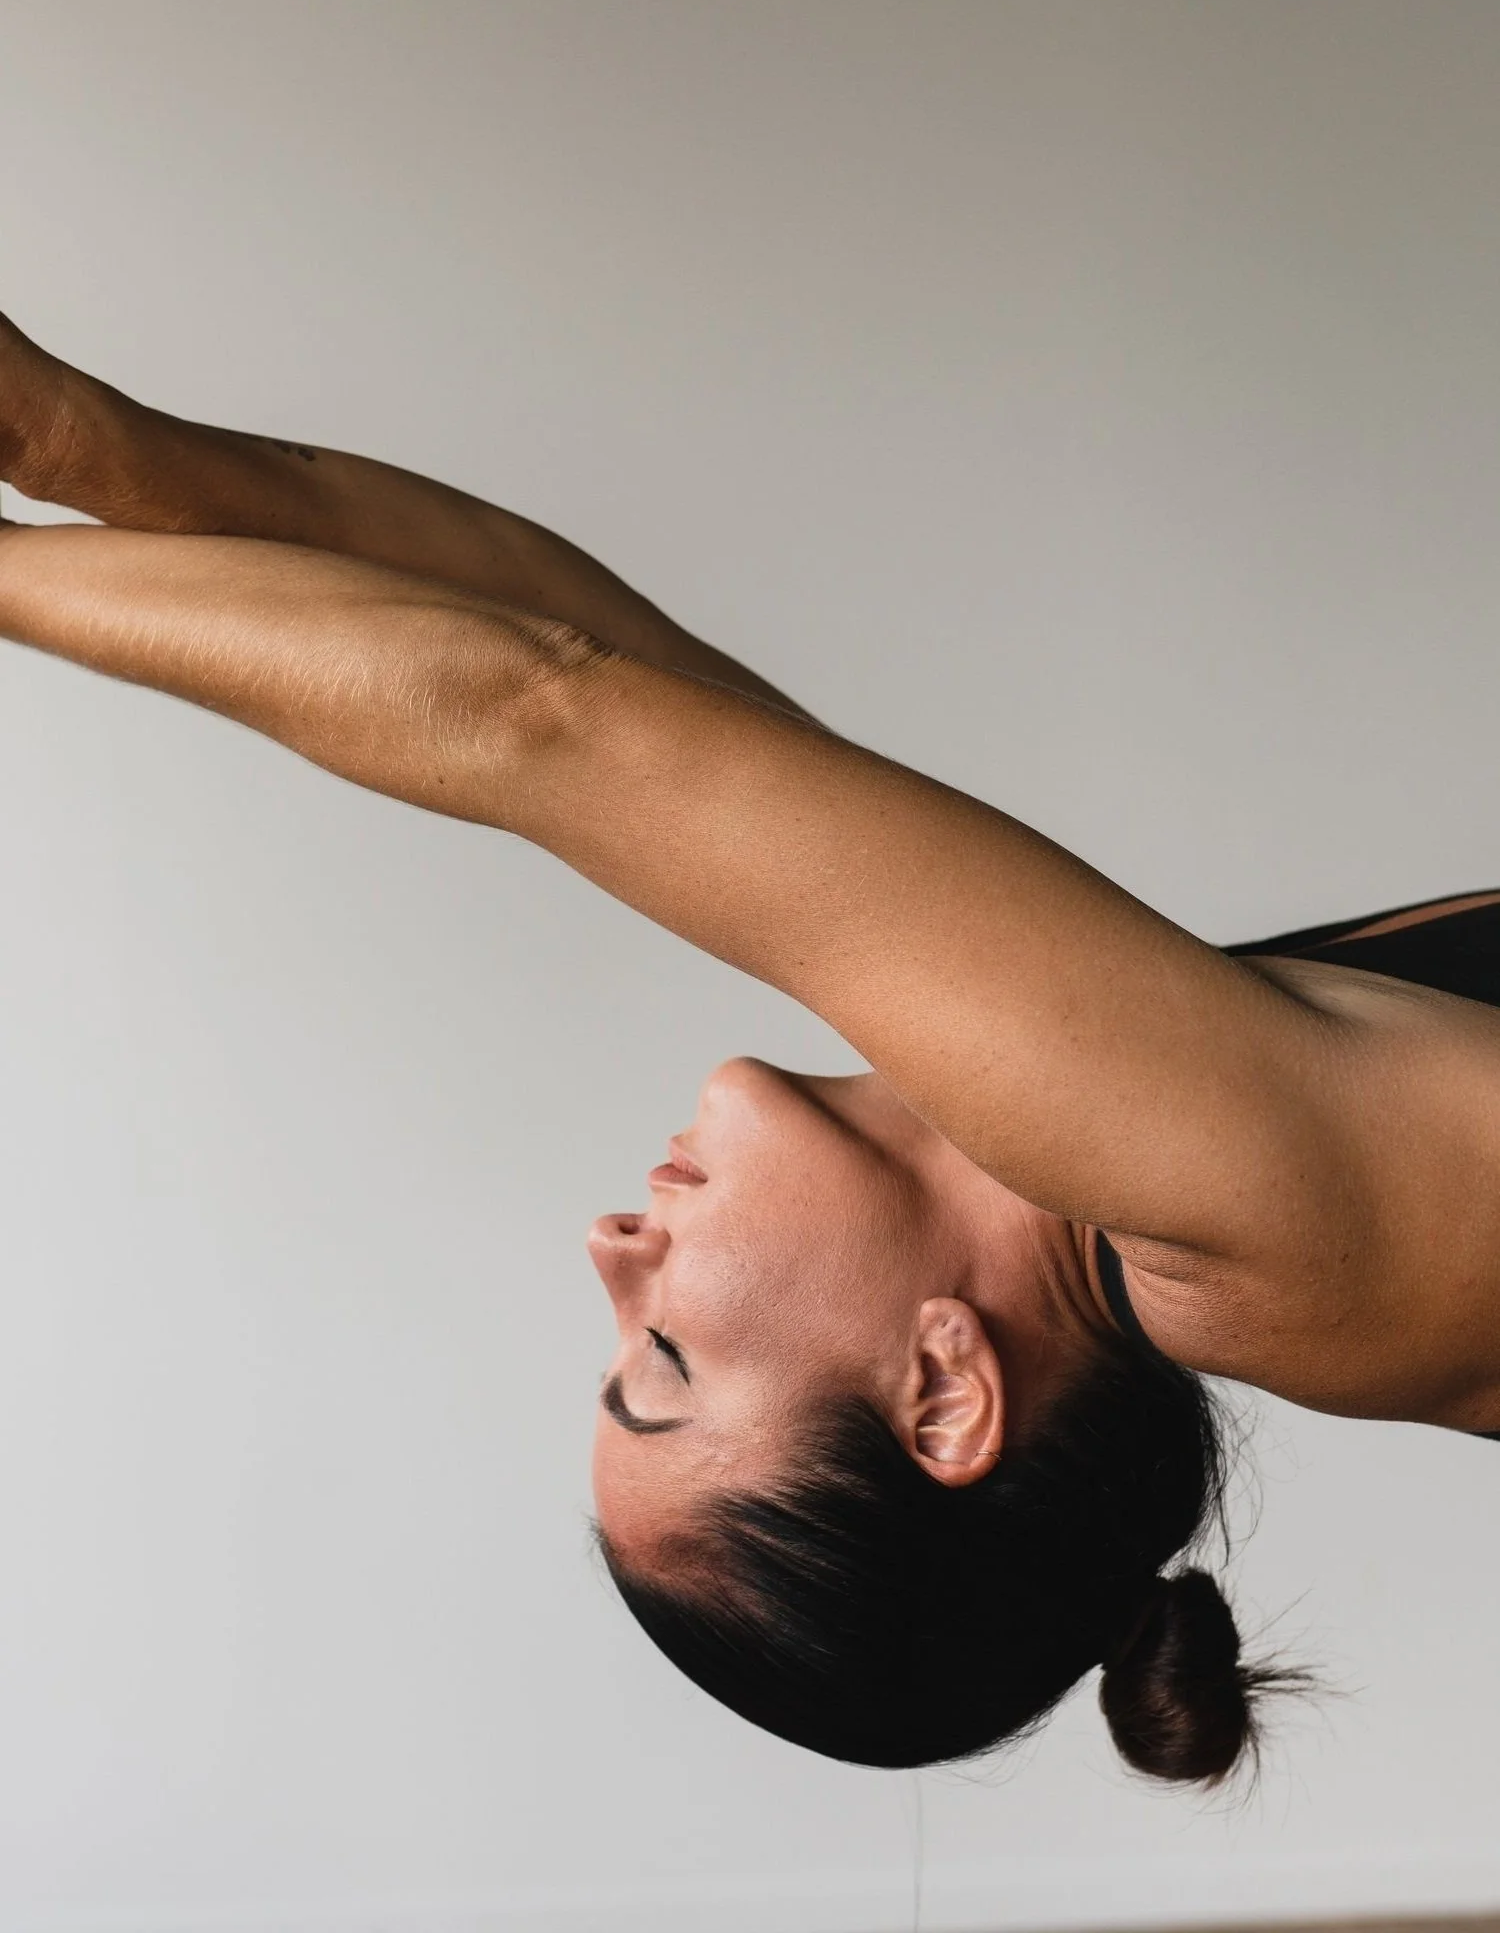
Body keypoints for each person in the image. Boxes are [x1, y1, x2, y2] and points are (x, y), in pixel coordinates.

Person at [2, 314, 1497, 1790]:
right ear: (943, 1394)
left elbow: (606, 673)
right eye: (664, 1355)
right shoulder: (1272, 1240)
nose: (606, 1249)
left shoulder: (1159, 1178)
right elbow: (543, 713)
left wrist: (79, 443)